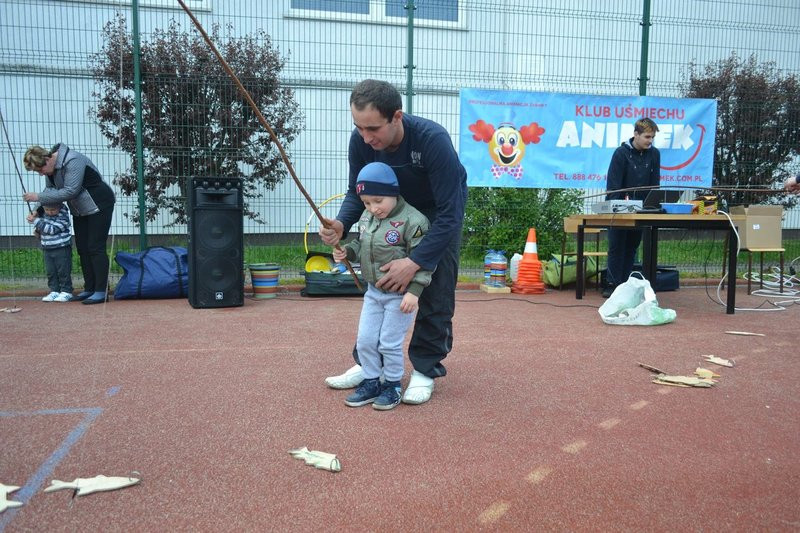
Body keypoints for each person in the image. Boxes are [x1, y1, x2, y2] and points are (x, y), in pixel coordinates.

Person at [319, 79, 467, 405]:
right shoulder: (361, 143)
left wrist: (415, 263)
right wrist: (341, 225)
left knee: (435, 288)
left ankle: (425, 369)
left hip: (436, 212)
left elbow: (450, 214)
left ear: (396, 117)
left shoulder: (432, 140)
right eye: (358, 128)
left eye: (373, 129)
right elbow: (356, 194)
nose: (365, 138)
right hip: (386, 212)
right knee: (380, 289)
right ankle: (370, 366)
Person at [333, 162, 432, 410]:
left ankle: (392, 385)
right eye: (366, 203)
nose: (373, 208)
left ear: (393, 192)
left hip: (399, 296)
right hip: (373, 293)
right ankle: (371, 380)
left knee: (388, 342)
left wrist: (414, 291)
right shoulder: (368, 216)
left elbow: (424, 259)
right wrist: (347, 251)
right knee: (366, 340)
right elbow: (362, 243)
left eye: (378, 201)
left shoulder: (414, 220)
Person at [23, 144, 116, 305]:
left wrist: (37, 197)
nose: (40, 174)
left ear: (47, 159)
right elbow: (50, 191)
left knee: (95, 247)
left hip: (99, 204)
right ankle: (90, 288)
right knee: (82, 248)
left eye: (40, 170)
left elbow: (70, 191)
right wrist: (38, 211)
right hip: (80, 209)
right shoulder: (51, 170)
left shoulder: (73, 160)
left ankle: (102, 291)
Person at [602, 118, 661, 298]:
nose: (650, 141)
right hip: (619, 209)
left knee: (632, 248)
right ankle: (611, 284)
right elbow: (613, 184)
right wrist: (617, 205)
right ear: (636, 134)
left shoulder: (655, 154)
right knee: (617, 246)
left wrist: (651, 204)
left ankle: (626, 284)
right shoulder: (620, 153)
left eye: (652, 137)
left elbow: (654, 184)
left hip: (643, 210)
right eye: (647, 137)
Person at [26, 202, 74, 302]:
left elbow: (52, 229)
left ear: (59, 207)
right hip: (47, 247)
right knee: (51, 271)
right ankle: (54, 290)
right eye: (47, 210)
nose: (50, 212)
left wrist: (36, 221)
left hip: (61, 247)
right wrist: (37, 228)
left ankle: (66, 291)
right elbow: (41, 226)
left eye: (52, 210)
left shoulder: (63, 217)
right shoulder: (43, 215)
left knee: (63, 270)